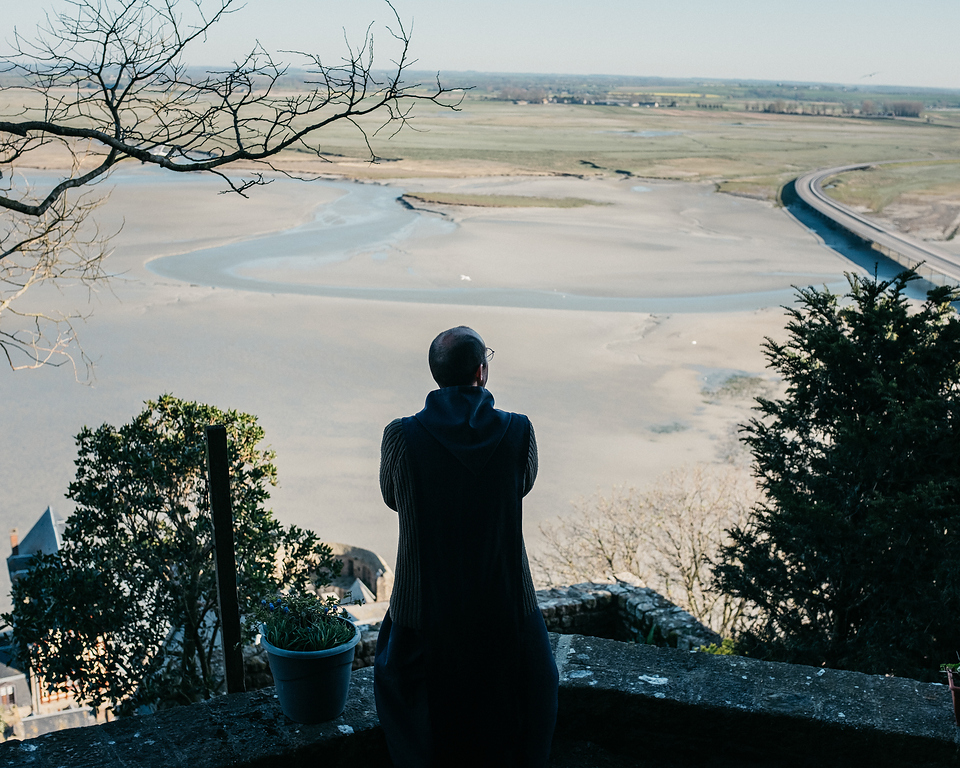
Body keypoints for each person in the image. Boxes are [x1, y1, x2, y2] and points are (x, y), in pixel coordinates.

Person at [374, 326, 558, 768]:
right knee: (537, 688)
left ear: (436, 376)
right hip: (504, 604)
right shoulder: (519, 433)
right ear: (482, 371)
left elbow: (392, 498)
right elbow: (524, 485)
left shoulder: (401, 437)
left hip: (425, 612)